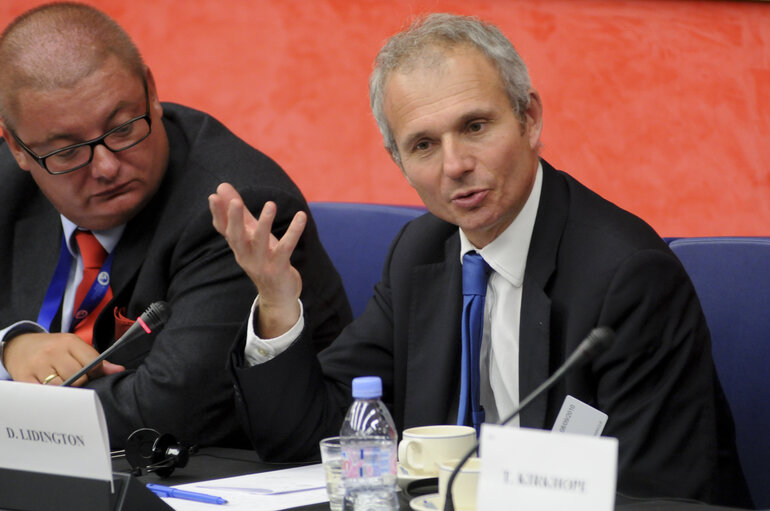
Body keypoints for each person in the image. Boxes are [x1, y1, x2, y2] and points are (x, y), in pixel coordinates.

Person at [209, 13, 751, 507]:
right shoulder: (419, 254)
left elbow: (655, 494)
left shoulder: (626, 277)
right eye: (423, 144)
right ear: (398, 161)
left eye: (475, 127)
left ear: (529, 119)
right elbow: (308, 435)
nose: (455, 165)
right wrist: (278, 303)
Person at [0, 3, 351, 449]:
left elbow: (166, 409)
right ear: (17, 148)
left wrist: (12, 408)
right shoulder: (7, 184)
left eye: (123, 127)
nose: (106, 166)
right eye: (66, 152)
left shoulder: (235, 208)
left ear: (151, 90)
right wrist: (10, 347)